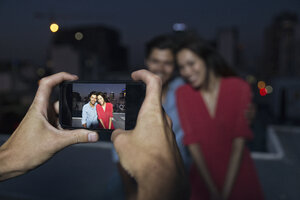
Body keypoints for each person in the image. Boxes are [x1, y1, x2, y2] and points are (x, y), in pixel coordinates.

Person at [0, 71, 188, 200]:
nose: (95, 99)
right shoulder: (90, 109)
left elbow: (108, 116)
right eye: (93, 98)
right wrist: (162, 184)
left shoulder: (107, 106)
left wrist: (7, 160)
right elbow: (89, 119)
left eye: (97, 97)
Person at [175, 39, 264, 200]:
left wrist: (225, 193)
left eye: (191, 63)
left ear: (206, 60)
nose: (186, 72)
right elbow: (192, 143)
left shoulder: (239, 87)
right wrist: (213, 191)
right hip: (203, 177)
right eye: (181, 67)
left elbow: (239, 140)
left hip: (239, 173)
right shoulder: (182, 93)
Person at [112, 34, 190, 200]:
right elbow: (117, 152)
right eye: (156, 61)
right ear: (147, 61)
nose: (161, 68)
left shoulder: (182, 90)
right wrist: (130, 191)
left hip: (178, 175)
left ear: (174, 66)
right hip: (136, 175)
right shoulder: (130, 95)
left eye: (168, 63)